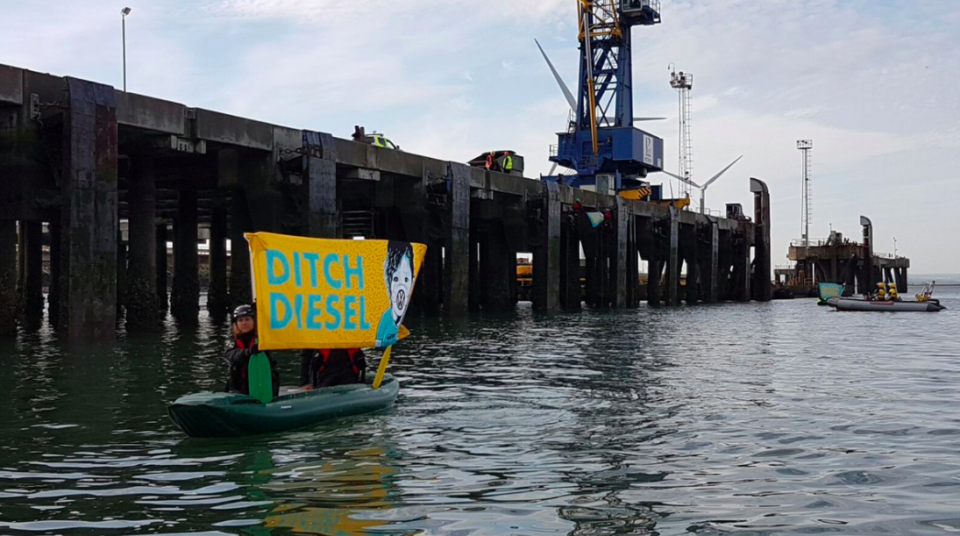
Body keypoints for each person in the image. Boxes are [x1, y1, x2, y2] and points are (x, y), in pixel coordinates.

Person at [224, 304, 279, 396]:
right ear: (236, 323)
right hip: (239, 386)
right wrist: (248, 352)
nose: (244, 323)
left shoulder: (263, 337)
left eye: (247, 319)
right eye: (240, 320)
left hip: (263, 383)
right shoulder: (232, 340)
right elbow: (231, 355)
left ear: (254, 321)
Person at [376, 241, 415, 348]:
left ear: (412, 281)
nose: (401, 285)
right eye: (396, 279)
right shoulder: (384, 321)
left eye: (406, 279)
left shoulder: (398, 321)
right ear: (389, 283)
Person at [299, 349, 367, 389]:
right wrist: (305, 383)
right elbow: (307, 356)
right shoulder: (316, 329)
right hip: (325, 374)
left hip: (350, 372)